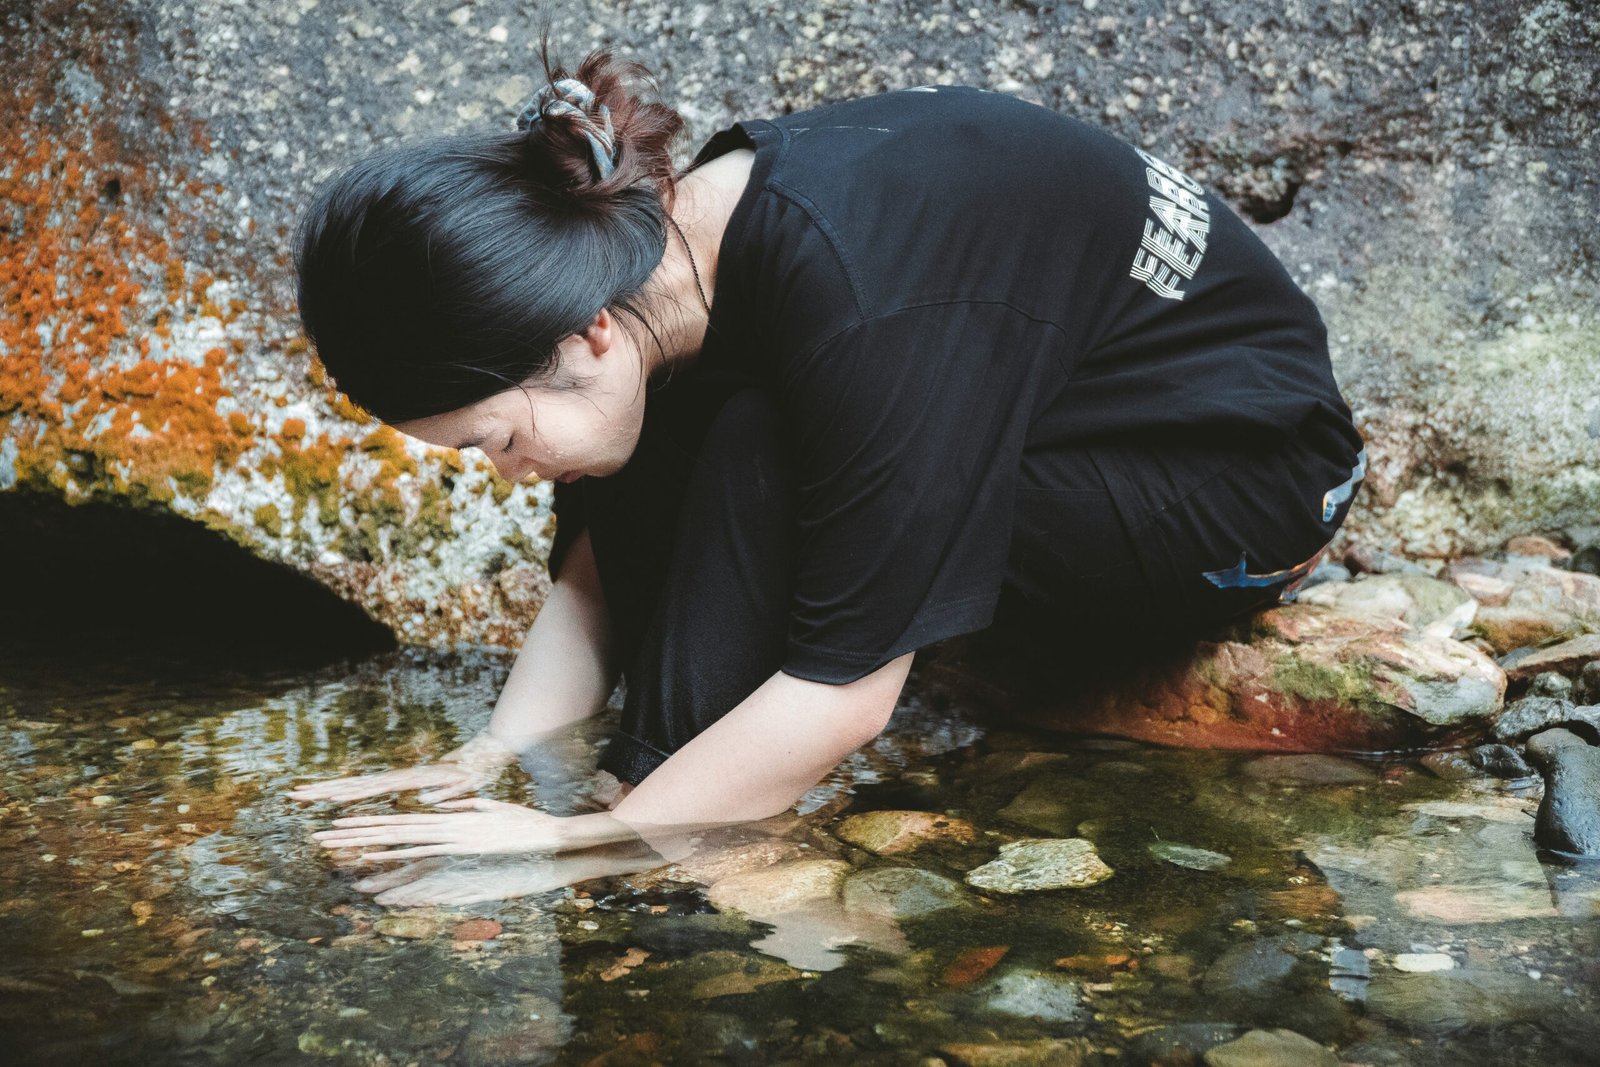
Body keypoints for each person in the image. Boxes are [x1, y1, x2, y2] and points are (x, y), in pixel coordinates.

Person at [291, 46, 1365, 894]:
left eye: (494, 438)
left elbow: (842, 697)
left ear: (585, 339)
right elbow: (594, 573)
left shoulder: (862, 298)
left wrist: (573, 845)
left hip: (1244, 483)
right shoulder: (651, 268)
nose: (509, 472)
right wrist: (489, 762)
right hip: (1063, 417)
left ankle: (658, 871)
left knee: (758, 445)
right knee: (706, 429)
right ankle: (652, 809)